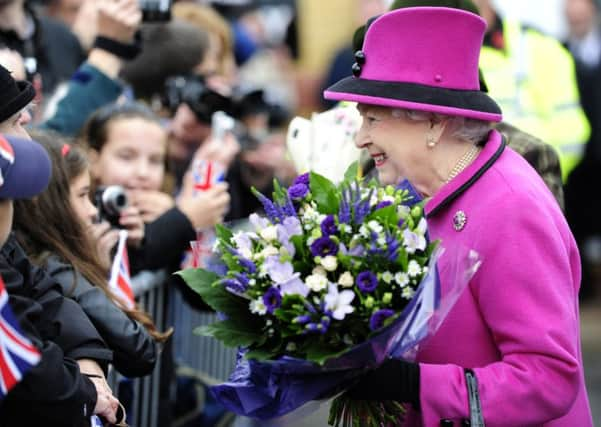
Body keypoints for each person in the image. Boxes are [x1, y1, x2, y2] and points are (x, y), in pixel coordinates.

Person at [324, 6, 592, 426]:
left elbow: (550, 378)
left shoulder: (511, 207)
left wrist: (414, 385)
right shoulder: (421, 192)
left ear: (432, 121)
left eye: (372, 118)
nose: (361, 138)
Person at [12, 130, 171, 378]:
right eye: (83, 195)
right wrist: (94, 270)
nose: (92, 211)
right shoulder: (52, 269)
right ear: (49, 205)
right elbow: (140, 350)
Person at [0, 133, 120, 425]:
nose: (10, 209)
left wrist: (87, 370)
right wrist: (86, 394)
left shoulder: (9, 251)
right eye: (6, 198)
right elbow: (27, 368)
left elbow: (45, 294)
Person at [470, 0, 589, 181]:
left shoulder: (541, 47)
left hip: (539, 181)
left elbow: (571, 136)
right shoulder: (445, 50)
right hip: (473, 188)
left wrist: (538, 176)